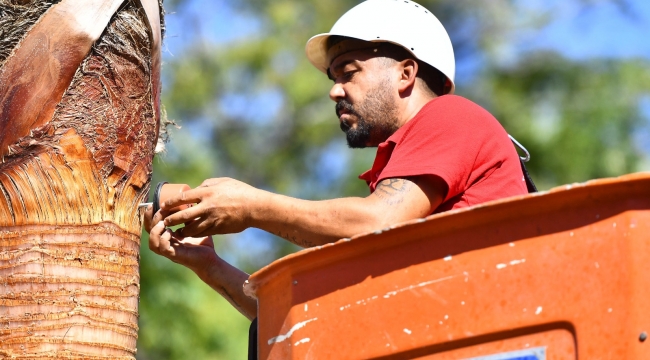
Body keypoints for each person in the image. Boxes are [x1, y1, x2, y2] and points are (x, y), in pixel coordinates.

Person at [144, 0, 530, 338]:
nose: (334, 90)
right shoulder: (405, 188)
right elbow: (308, 323)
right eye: (334, 77)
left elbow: (376, 222)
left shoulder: (450, 115)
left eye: (348, 71)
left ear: (405, 74)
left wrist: (251, 206)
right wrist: (210, 267)